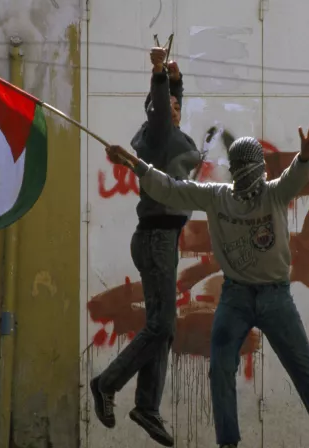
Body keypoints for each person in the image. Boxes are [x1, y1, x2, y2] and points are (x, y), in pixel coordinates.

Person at [105, 125, 309, 448]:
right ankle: (228, 442)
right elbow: (171, 189)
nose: (247, 176)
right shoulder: (217, 197)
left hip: (275, 297)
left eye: (251, 168)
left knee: (304, 370)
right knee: (221, 369)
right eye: (241, 168)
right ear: (235, 170)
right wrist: (136, 165)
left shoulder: (274, 192)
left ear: (261, 169)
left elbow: (296, 177)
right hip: (235, 297)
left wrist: (304, 157)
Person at [90, 46, 201, 448]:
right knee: (161, 325)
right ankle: (106, 384)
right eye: (170, 105)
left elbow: (169, 105)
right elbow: (160, 110)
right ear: (157, 111)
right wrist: (158, 74)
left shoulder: (168, 135)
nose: (176, 109)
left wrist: (175, 80)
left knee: (163, 327)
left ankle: (147, 406)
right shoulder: (158, 136)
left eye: (178, 105)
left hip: (162, 239)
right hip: (156, 238)